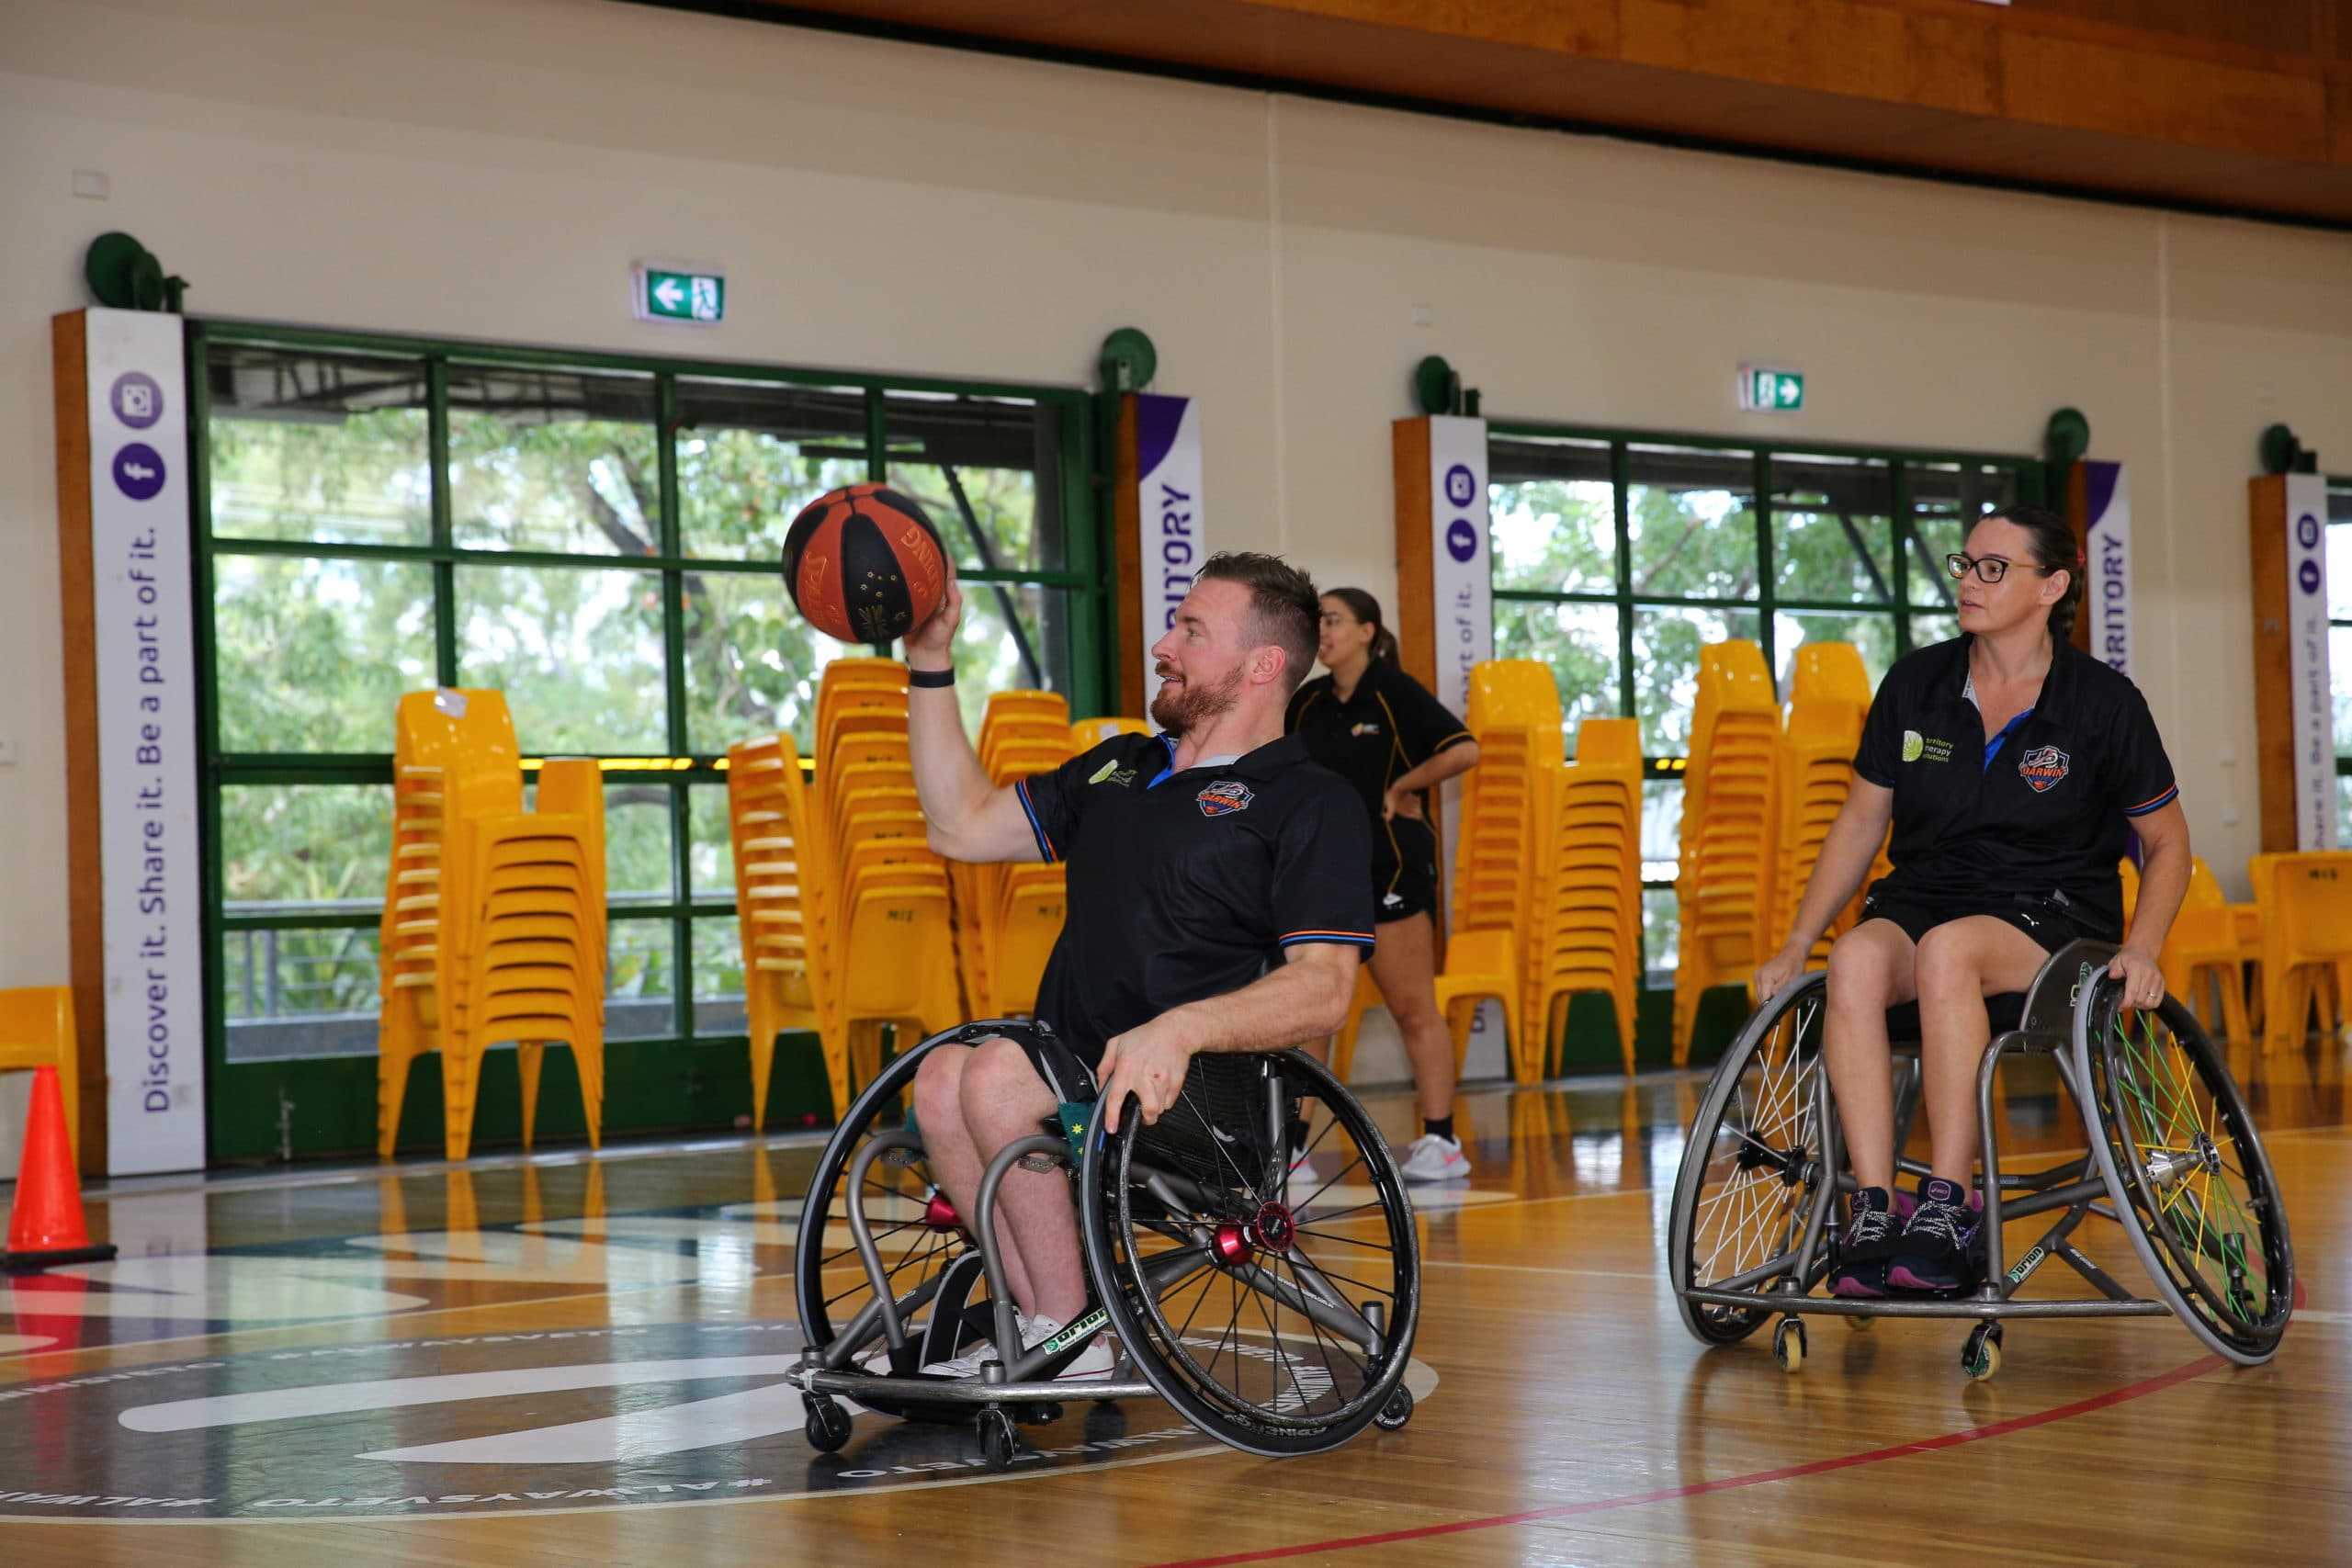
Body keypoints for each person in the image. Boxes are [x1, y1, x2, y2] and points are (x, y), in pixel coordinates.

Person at [902, 550, 1374, 1376]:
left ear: (1263, 664)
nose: (1164, 643)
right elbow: (961, 827)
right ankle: (1058, 1317)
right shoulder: (1124, 765)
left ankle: (1068, 1327)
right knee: (944, 1075)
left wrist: (1181, 1028)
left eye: (1192, 630)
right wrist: (930, 661)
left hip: (1198, 1101)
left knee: (995, 1079)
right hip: (1070, 1067)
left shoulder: (1310, 799)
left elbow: (1324, 990)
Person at [1753, 504, 2188, 1298]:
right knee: (1853, 959)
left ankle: (1949, 1202)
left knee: (1946, 950)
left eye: (1995, 567)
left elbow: (2167, 843)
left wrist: (2146, 945)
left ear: (2051, 586)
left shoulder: (2102, 703)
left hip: (2050, 917)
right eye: (1966, 564)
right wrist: (1797, 940)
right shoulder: (1916, 683)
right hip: (1923, 896)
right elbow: (1859, 821)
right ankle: (1877, 1208)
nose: (1970, 581)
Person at [1285, 589, 1481, 1181]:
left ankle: (1443, 1143)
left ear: (1368, 631)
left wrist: (1404, 787)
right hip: (1325, 876)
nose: (1322, 629)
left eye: (1334, 619)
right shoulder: (1306, 702)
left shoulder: (1394, 692)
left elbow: (1464, 749)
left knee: (1412, 1007)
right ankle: (1291, 1149)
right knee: (1313, 1015)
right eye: (1316, 620)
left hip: (1392, 870)